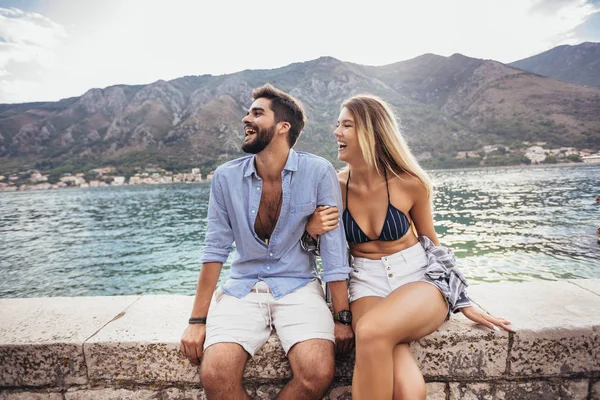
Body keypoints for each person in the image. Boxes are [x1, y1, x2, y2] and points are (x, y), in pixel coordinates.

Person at [303, 95, 514, 400]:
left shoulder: (411, 183)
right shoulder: (332, 187)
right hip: (365, 283)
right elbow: (315, 247)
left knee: (373, 332)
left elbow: (433, 244)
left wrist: (463, 300)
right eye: (338, 125)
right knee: (395, 367)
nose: (336, 132)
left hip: (417, 278)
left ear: (372, 132)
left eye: (346, 125)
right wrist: (311, 229)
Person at [179, 84, 354, 400]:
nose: (246, 119)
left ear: (283, 127)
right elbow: (215, 249)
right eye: (248, 113)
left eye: (257, 113)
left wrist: (342, 316)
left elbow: (333, 246)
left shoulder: (318, 171)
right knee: (215, 374)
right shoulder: (225, 177)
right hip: (242, 289)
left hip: (299, 286)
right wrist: (197, 320)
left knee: (317, 372)